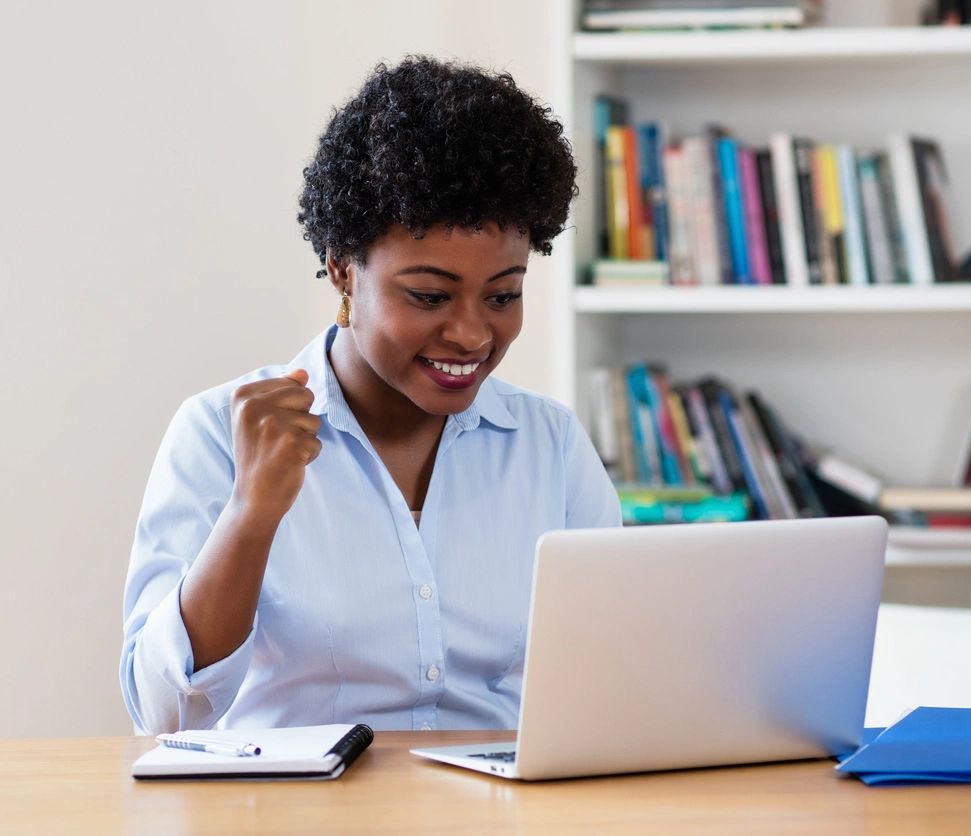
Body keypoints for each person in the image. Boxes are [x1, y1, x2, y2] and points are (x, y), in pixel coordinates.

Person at [120, 56, 620, 735]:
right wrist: (250, 514)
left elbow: (611, 678)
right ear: (342, 271)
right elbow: (165, 711)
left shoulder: (549, 445)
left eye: (504, 294)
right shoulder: (217, 431)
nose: (472, 333)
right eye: (428, 296)